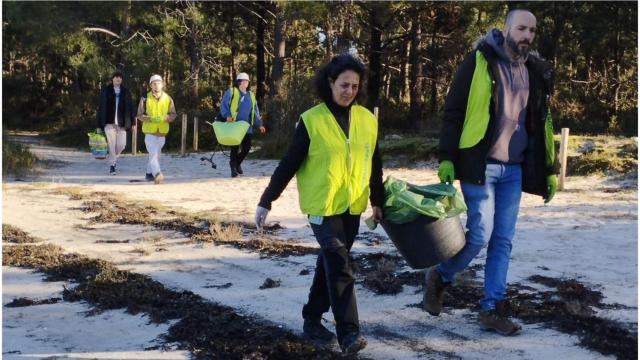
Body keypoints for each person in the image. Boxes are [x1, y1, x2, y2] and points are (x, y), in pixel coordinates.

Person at [425, 9, 559, 336]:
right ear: (506, 28)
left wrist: (550, 169)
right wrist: (446, 157)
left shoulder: (534, 71)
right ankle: (440, 276)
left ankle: (491, 308)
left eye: (532, 30)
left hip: (514, 170)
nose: (527, 34)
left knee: (503, 241)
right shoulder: (479, 61)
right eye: (521, 28)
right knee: (478, 237)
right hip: (480, 165)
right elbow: (454, 112)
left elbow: (544, 123)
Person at [254, 54, 384, 354]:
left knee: (329, 264)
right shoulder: (311, 120)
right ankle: (349, 333)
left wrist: (378, 200)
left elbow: (375, 162)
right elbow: (289, 164)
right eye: (343, 84)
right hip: (321, 206)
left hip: (352, 205)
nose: (349, 91)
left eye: (354, 85)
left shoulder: (367, 119)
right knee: (340, 264)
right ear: (330, 82)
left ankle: (312, 320)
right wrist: (266, 200)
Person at [218, 72, 266, 177]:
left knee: (247, 147)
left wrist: (260, 124)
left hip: (246, 127)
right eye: (244, 81)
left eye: (248, 81)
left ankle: (237, 163)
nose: (247, 82)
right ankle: (233, 169)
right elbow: (224, 105)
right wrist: (227, 116)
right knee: (234, 148)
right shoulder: (231, 92)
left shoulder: (251, 96)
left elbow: (255, 112)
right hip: (234, 125)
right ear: (239, 82)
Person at [136, 74, 177, 184]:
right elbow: (139, 115)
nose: (157, 85)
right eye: (154, 83)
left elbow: (173, 115)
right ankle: (157, 174)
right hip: (149, 132)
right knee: (153, 154)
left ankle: (149, 174)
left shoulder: (168, 98)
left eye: (159, 83)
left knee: (156, 155)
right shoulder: (145, 98)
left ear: (162, 84)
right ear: (150, 85)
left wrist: (165, 118)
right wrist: (151, 119)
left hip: (162, 132)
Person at [96, 71, 135, 175]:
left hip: (122, 123)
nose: (118, 79)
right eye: (116, 77)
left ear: (122, 79)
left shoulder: (126, 91)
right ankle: (112, 165)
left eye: (120, 77)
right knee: (111, 145)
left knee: (122, 145)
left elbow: (131, 108)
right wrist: (99, 125)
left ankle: (112, 158)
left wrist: (133, 123)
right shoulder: (106, 90)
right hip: (109, 122)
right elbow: (101, 108)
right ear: (112, 79)